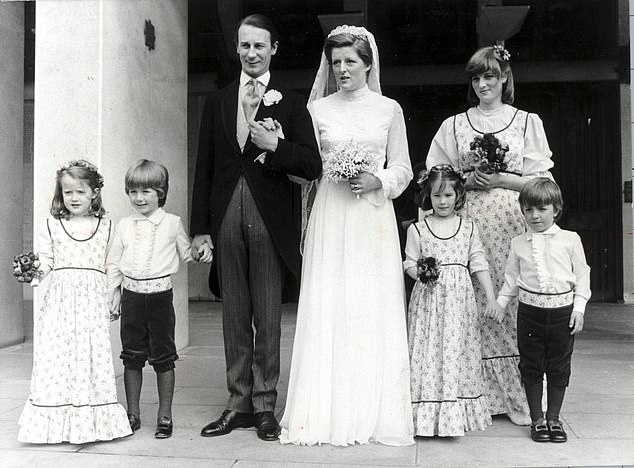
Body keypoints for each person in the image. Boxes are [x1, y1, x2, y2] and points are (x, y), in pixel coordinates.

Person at [280, 25, 414, 446]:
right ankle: (323, 413)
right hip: (332, 215)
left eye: (350, 62)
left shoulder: (389, 109)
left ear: (368, 63)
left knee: (369, 306)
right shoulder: (318, 111)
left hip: (372, 218)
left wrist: (380, 181)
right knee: (331, 303)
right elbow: (303, 167)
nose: (342, 70)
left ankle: (373, 412)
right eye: (335, 62)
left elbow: (405, 169)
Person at [190, 14, 321, 442]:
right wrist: (200, 228)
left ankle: (265, 405)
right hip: (225, 212)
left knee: (267, 314)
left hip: (270, 217)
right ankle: (237, 403)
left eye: (259, 46)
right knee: (233, 313)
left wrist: (275, 146)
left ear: (273, 50)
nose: (251, 53)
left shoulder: (291, 102)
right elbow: (205, 168)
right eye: (244, 46)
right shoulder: (220, 99)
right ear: (237, 47)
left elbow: (310, 164)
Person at [425, 45, 555, 425]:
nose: (483, 84)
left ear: (504, 79)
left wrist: (502, 179)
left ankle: (518, 398)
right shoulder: (453, 125)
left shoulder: (527, 122)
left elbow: (542, 182)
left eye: (490, 77)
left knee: (510, 299)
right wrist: (465, 179)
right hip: (466, 226)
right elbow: (434, 177)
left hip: (512, 224)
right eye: (477, 78)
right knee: (469, 301)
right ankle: (471, 396)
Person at [18, 160, 131, 444]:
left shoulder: (106, 226)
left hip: (92, 301)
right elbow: (46, 261)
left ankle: (90, 422)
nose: (74, 198)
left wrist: (114, 293)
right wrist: (31, 272)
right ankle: (58, 420)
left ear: (94, 192)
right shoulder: (52, 224)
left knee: (91, 355)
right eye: (68, 193)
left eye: (80, 192)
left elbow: (112, 263)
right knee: (58, 356)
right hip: (61, 303)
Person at [107, 159, 211, 439]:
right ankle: (132, 413)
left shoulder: (172, 223)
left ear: (161, 192)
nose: (139, 198)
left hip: (160, 300)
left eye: (147, 191)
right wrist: (113, 293)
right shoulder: (124, 225)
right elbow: (114, 263)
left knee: (163, 358)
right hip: (131, 298)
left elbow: (188, 253)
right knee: (131, 358)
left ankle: (165, 415)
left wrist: (200, 252)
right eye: (133, 192)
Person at [404, 165, 498, 437]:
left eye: (448, 195)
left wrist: (491, 297)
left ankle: (454, 411)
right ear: (427, 197)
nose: (442, 202)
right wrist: (419, 271)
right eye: (436, 196)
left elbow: (478, 261)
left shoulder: (468, 228)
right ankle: (426, 414)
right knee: (429, 349)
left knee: (458, 348)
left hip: (459, 303)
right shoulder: (418, 229)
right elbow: (409, 262)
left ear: (458, 195)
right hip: (429, 302)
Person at [494, 178, 590, 443]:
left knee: (559, 367)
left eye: (542, 209)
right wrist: (500, 304)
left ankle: (554, 419)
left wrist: (579, 309)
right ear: (522, 211)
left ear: (556, 209)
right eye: (528, 210)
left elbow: (582, 275)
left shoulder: (570, 240)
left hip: (562, 313)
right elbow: (512, 279)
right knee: (532, 365)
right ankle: (537, 419)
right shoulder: (518, 243)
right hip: (529, 313)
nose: (534, 216)